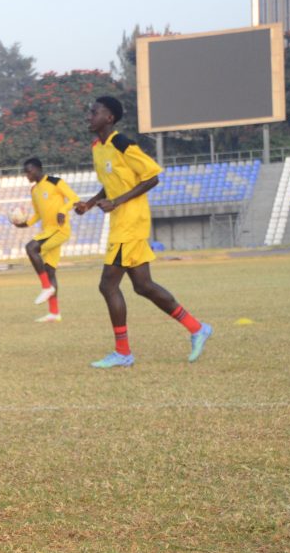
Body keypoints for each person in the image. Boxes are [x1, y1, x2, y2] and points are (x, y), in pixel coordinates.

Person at [74, 96, 212, 368]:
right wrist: (89, 204)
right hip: (120, 222)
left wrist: (117, 202)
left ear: (109, 118)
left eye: (94, 112)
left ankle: (123, 352)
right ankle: (197, 328)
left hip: (131, 223)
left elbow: (152, 177)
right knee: (143, 286)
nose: (89, 116)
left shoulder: (123, 144)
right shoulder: (97, 148)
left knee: (108, 285)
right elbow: (110, 185)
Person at [11, 157, 78, 322]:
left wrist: (63, 210)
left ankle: (46, 287)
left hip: (59, 230)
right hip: (47, 231)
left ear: (37, 169)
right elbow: (38, 214)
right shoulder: (34, 190)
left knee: (31, 248)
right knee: (49, 271)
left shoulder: (56, 182)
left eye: (29, 171)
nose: (27, 175)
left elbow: (74, 199)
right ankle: (54, 313)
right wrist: (25, 224)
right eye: (25, 172)